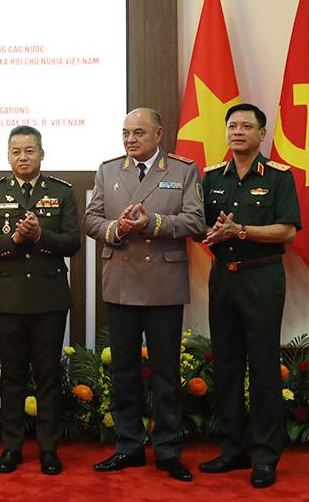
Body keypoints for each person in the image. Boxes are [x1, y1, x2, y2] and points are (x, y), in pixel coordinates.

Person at [83, 108, 204, 482]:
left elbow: (196, 221)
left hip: (163, 285)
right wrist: (117, 229)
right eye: (125, 133)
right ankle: (128, 446)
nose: (130, 139)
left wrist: (151, 223)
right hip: (121, 282)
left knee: (166, 372)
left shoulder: (183, 170)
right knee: (124, 371)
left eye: (138, 132)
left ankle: (167, 451)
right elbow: (91, 220)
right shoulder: (108, 170)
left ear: (158, 134)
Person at [197, 103, 300, 489]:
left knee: (262, 367)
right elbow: (200, 224)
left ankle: (265, 455)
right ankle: (232, 449)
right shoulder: (211, 177)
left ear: (261, 134)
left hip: (262, 279)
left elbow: (287, 231)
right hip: (223, 278)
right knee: (226, 366)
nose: (237, 132)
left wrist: (240, 230)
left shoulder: (277, 176)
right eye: (232, 126)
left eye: (246, 126)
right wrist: (208, 233)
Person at [0, 126, 80, 475]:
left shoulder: (62, 191)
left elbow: (72, 243)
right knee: (12, 376)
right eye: (16, 151)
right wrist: (16, 241)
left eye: (30, 151)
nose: (23, 157)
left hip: (50, 298)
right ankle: (12, 447)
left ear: (42, 154)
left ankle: (49, 449)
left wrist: (40, 235)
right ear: (8, 156)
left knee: (49, 375)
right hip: (9, 299)